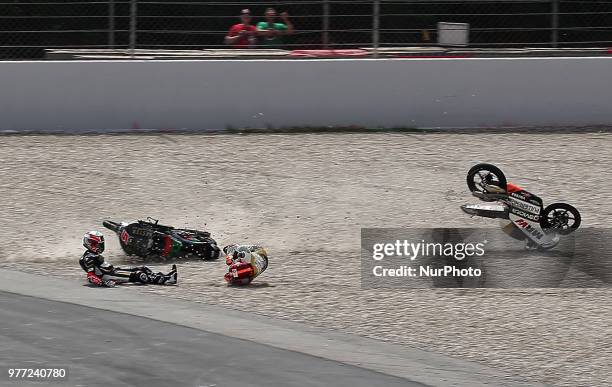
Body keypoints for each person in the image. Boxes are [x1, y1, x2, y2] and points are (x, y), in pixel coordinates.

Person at [80, 231, 177, 287]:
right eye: (96, 244)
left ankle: (163, 276)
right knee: (139, 275)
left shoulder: (92, 254)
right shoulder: (89, 257)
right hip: (109, 275)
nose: (99, 247)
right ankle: (166, 280)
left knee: (143, 268)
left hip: (113, 271)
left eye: (100, 244)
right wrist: (104, 283)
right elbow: (90, 276)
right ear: (89, 244)